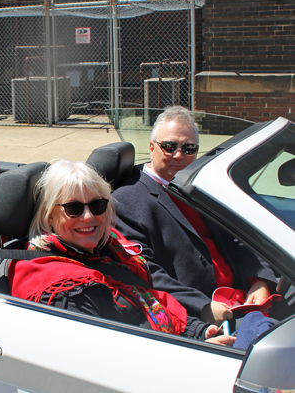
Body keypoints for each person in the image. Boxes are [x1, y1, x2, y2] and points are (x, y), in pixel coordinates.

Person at [8, 159, 235, 344]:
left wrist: (198, 332)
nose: (88, 217)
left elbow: (149, 297)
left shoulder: (111, 249)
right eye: (73, 208)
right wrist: (192, 351)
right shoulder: (61, 291)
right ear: (49, 217)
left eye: (97, 205)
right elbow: (106, 360)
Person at [112, 106, 277, 324]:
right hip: (205, 316)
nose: (179, 155)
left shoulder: (201, 184)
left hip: (246, 296)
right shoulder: (127, 200)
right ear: (152, 147)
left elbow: (239, 234)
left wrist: (260, 280)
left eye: (188, 148)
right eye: (169, 147)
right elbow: (146, 271)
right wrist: (204, 307)